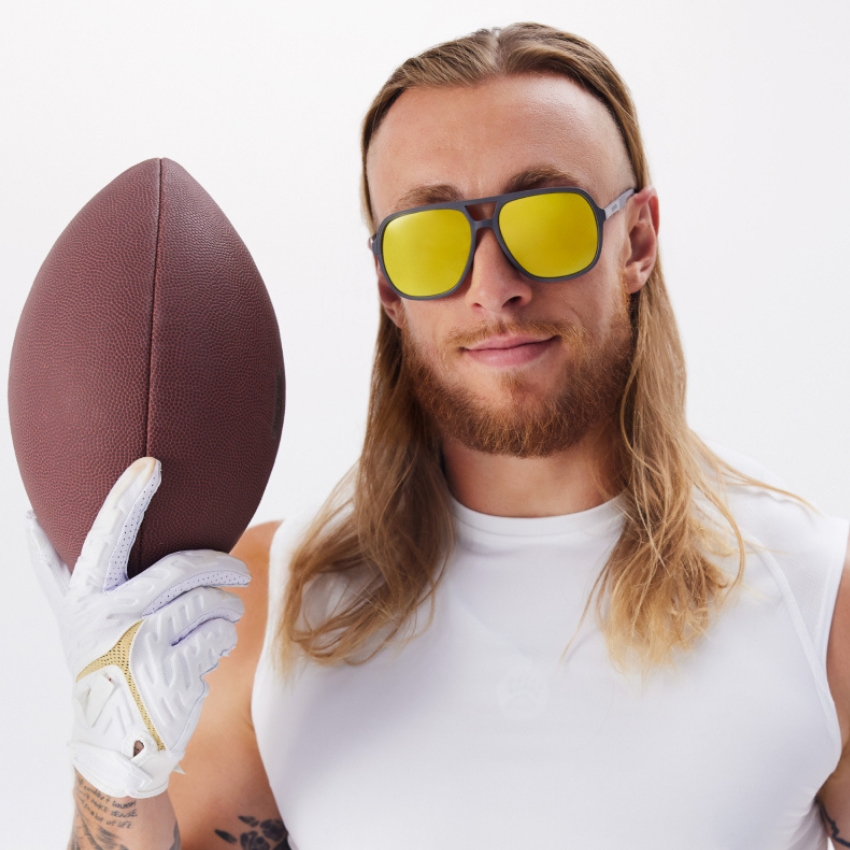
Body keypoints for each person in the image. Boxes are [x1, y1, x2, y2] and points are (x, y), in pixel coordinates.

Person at [34, 23, 849, 850]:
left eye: (549, 221)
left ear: (636, 242)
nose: (494, 288)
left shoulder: (817, 599)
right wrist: (114, 763)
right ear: (389, 286)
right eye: (430, 239)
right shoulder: (268, 610)